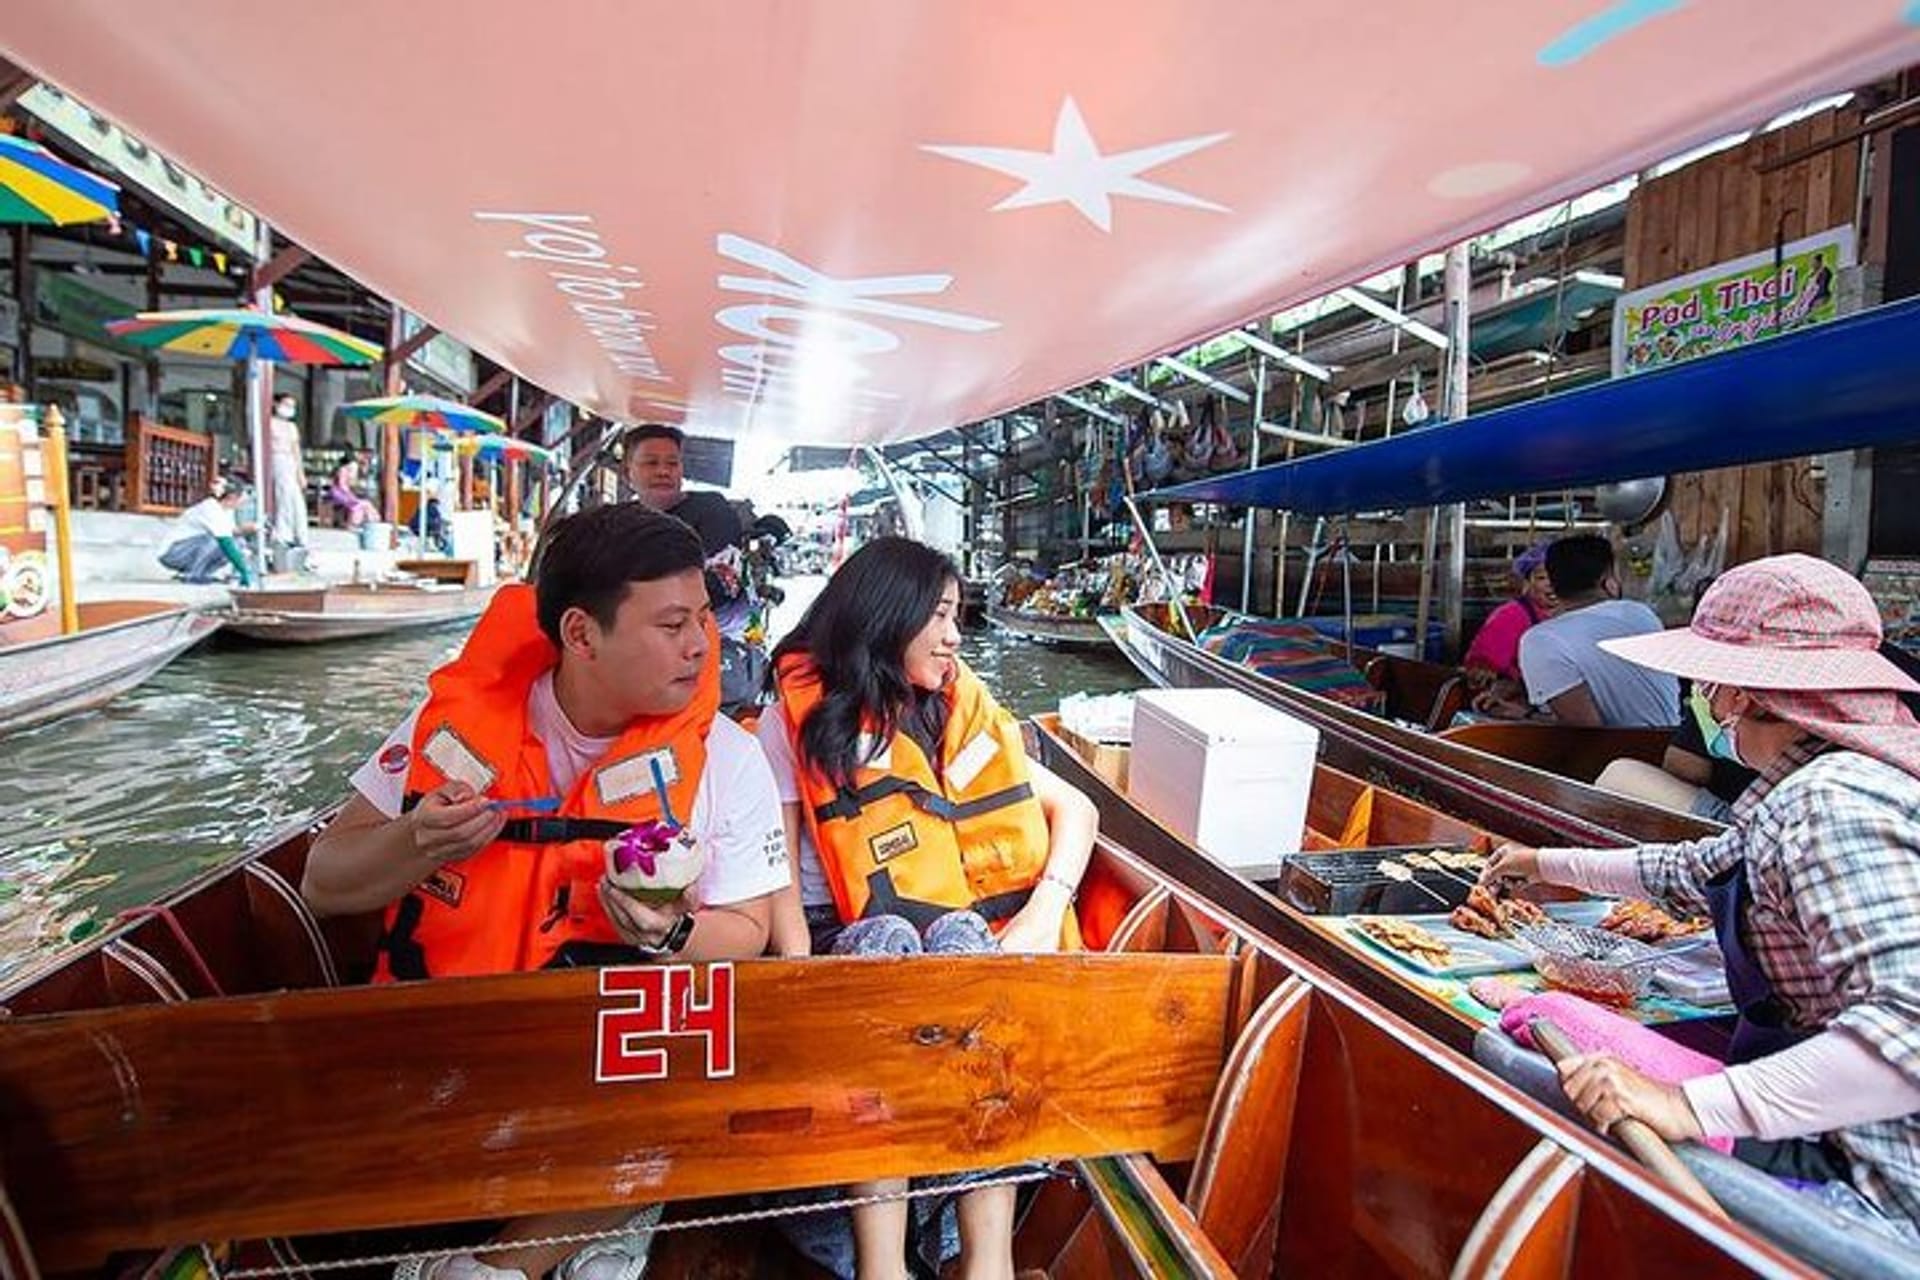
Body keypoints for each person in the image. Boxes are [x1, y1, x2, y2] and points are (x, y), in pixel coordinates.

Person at [301, 503, 792, 1280]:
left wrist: (669, 935)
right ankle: (567, 1240)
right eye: (671, 625)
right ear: (580, 634)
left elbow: (747, 930)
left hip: (611, 1069)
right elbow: (323, 883)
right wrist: (416, 840)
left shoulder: (727, 757)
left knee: (699, 1110)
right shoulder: (448, 731)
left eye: (703, 616)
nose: (702, 646)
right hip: (449, 1048)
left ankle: (498, 1266)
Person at [1482, 554, 1920, 1232]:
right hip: (1820, 1118)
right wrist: (1546, 863)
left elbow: (1908, 1032)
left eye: (1709, 684)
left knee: (1536, 1052)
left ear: (1740, 695)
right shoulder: (1809, 786)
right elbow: (1694, 870)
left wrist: (1685, 1105)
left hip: (1869, 1180)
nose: (1705, 702)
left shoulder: (1831, 804)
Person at [758, 536, 1098, 1280]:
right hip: (846, 941)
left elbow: (1078, 809)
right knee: (886, 938)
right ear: (886, 616)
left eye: (957, 615)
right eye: (938, 615)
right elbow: (776, 869)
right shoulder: (788, 722)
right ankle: (882, 1267)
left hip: (948, 939)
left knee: (965, 936)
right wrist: (795, 977)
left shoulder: (952, 714)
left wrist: (1045, 911)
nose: (954, 636)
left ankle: (987, 1261)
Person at [622, 423, 765, 708]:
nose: (663, 471)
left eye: (672, 463)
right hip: (642, 654)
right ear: (628, 474)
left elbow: (721, 584)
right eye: (651, 463)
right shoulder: (620, 523)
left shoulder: (712, 510)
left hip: (717, 653)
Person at [1479, 534, 1679, 727]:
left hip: (1618, 748)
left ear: (1553, 586)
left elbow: (1583, 729)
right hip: (1668, 742)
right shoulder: (1641, 614)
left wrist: (1523, 714)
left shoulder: (1541, 639)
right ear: (1607, 582)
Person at [1465, 542, 1557, 704]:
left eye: (1559, 576)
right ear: (1527, 582)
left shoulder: (1580, 612)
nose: (1552, 583)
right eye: (1542, 578)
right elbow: (1482, 668)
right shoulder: (1511, 615)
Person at [157, 477, 254, 586]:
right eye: (243, 497)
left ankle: (201, 574)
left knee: (239, 542)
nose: (244, 501)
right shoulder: (210, 508)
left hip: (189, 549)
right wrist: (243, 571)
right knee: (217, 541)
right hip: (172, 553)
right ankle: (193, 574)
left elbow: (232, 532)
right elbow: (225, 541)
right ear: (232, 497)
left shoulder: (227, 510)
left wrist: (249, 529)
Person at [267, 392, 310, 548]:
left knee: (296, 499)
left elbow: (295, 450)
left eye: (292, 406)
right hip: (277, 458)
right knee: (283, 496)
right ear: (276, 404)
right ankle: (283, 534)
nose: (289, 409)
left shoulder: (292, 427)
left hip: (290, 461)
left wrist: (300, 473)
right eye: (286, 405)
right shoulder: (269, 423)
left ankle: (301, 535)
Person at [328, 451, 379, 529]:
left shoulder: (347, 469)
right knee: (359, 504)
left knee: (365, 503)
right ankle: (355, 523)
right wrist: (350, 494)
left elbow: (348, 484)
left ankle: (368, 521)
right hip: (339, 494)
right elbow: (343, 486)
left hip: (340, 493)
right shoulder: (346, 469)